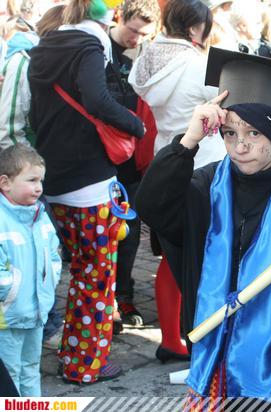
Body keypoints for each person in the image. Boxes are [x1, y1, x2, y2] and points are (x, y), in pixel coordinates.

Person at [135, 48, 271, 401]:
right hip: (214, 356)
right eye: (229, 133)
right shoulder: (208, 185)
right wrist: (188, 141)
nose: (240, 147)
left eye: (254, 133)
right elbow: (151, 204)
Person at [28, 0, 145, 384]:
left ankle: (74, 354)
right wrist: (134, 124)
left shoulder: (45, 46)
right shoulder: (90, 46)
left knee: (80, 269)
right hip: (89, 179)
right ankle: (85, 365)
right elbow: (97, 99)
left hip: (54, 175)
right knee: (96, 275)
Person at [129, 0, 227, 362]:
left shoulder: (147, 58)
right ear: (196, 26)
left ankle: (171, 337)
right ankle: (195, 334)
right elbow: (227, 100)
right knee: (201, 254)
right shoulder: (197, 64)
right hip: (204, 163)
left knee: (171, 254)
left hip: (166, 159)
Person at [106, 0, 159, 332]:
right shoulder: (98, 49)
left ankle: (123, 295)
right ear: (120, 17)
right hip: (102, 159)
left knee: (129, 235)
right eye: (133, 30)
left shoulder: (143, 56)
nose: (136, 39)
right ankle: (106, 300)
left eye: (144, 34)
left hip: (133, 162)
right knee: (102, 234)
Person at [0, 144, 62, 396]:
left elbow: (54, 253)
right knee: (10, 374)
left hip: (37, 310)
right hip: (8, 317)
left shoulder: (40, 214)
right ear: (5, 183)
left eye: (41, 181)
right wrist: (9, 292)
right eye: (32, 180)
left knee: (31, 368)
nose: (39, 188)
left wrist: (50, 281)